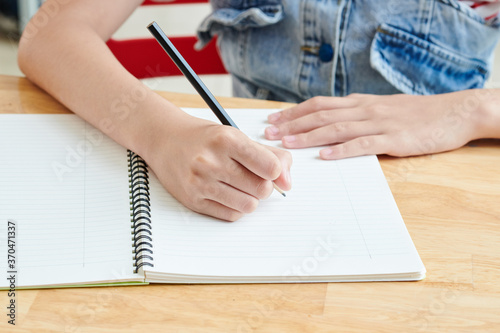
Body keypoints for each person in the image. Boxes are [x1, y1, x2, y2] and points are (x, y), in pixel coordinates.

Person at [18, 0, 500, 220]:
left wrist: (474, 109)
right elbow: (49, 36)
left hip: (443, 208)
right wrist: (161, 134)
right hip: (231, 177)